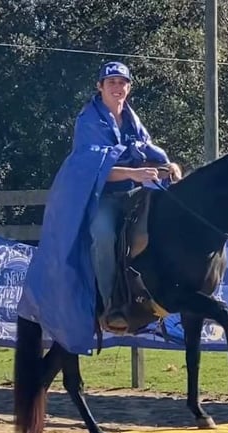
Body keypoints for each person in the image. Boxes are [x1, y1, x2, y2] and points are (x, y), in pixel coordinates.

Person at [83, 61, 172, 330]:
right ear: (100, 87)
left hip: (133, 194)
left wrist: (169, 166)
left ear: (129, 88)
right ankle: (110, 304)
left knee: (165, 224)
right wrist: (135, 174)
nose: (117, 87)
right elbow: (94, 169)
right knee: (104, 235)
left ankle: (162, 298)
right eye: (111, 82)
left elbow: (148, 150)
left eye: (122, 82)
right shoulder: (88, 120)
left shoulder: (132, 120)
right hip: (102, 197)